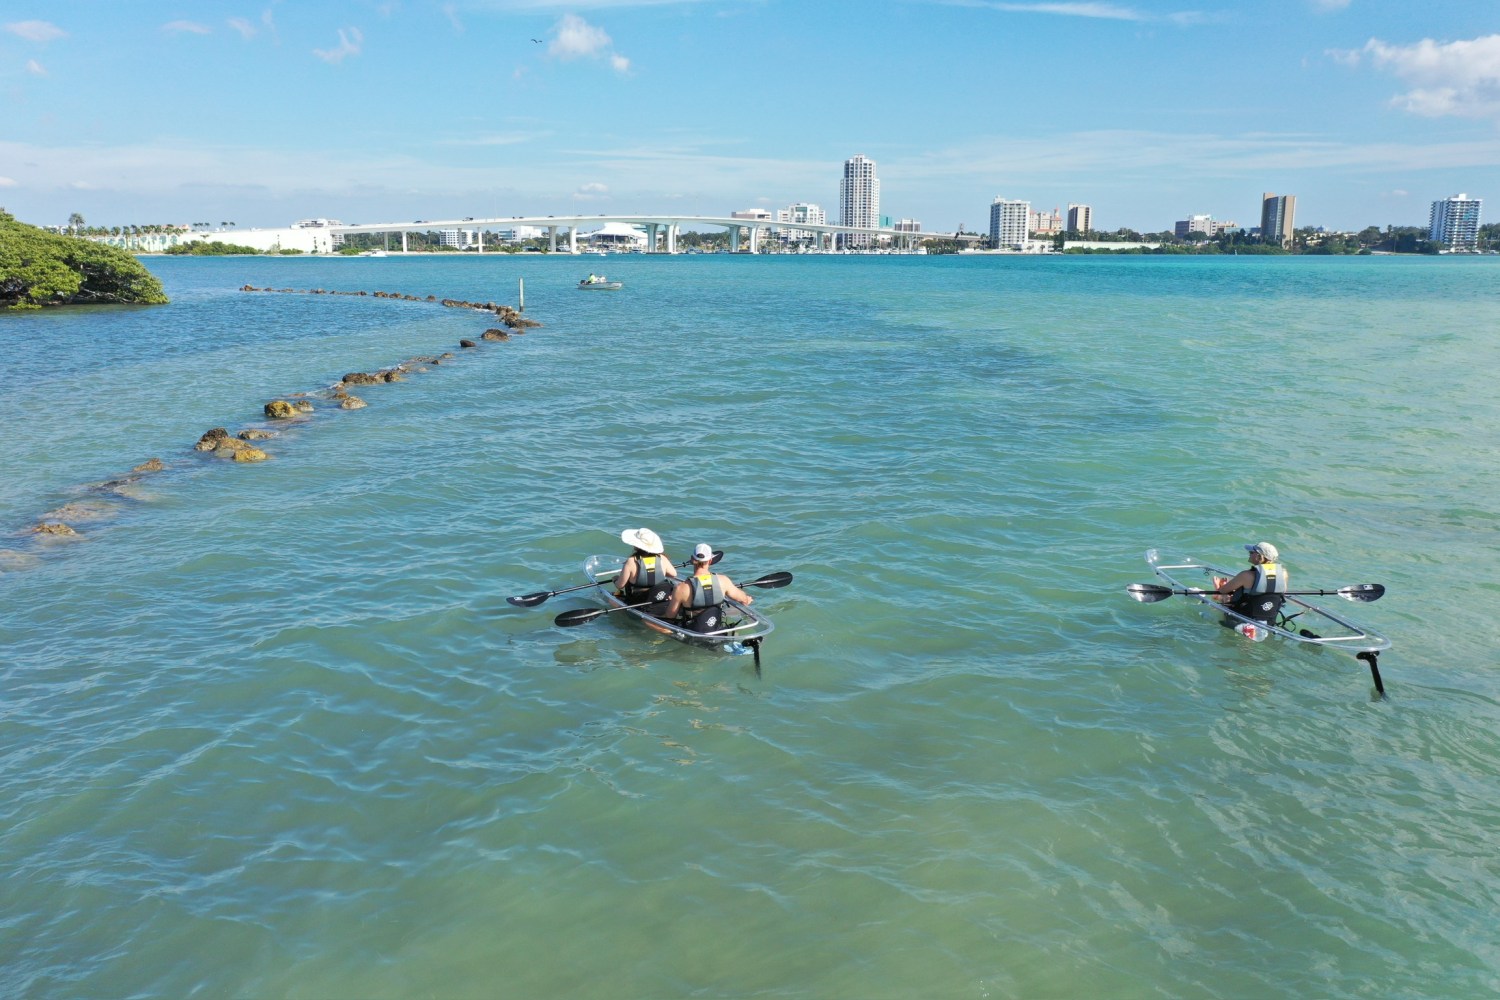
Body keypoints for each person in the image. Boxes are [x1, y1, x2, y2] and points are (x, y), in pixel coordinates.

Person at [666, 543, 754, 633]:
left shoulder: (681, 588)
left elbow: (670, 616)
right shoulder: (723, 581)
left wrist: (673, 600)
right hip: (717, 633)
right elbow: (744, 600)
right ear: (710, 561)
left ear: (692, 559)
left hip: (693, 634)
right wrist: (746, 599)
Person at [1214, 542, 1288, 624]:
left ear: (1258, 556)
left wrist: (1219, 586)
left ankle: (1217, 597)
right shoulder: (1283, 573)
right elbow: (1280, 592)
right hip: (1269, 621)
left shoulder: (1246, 575)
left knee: (1225, 595)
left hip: (1242, 619)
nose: (1249, 554)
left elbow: (1223, 590)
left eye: (1251, 552)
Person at [614, 528, 678, 615]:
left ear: (636, 545)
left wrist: (614, 579)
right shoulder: (662, 558)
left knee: (612, 598)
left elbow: (620, 585)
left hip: (640, 602)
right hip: (660, 596)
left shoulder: (631, 561)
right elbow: (674, 574)